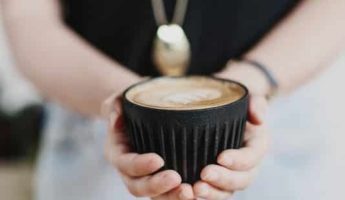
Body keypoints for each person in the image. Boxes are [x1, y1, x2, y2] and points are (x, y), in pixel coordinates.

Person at [1, 0, 345, 199]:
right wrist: (125, 105)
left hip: (285, 130)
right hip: (96, 131)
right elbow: (29, 19)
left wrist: (251, 84)